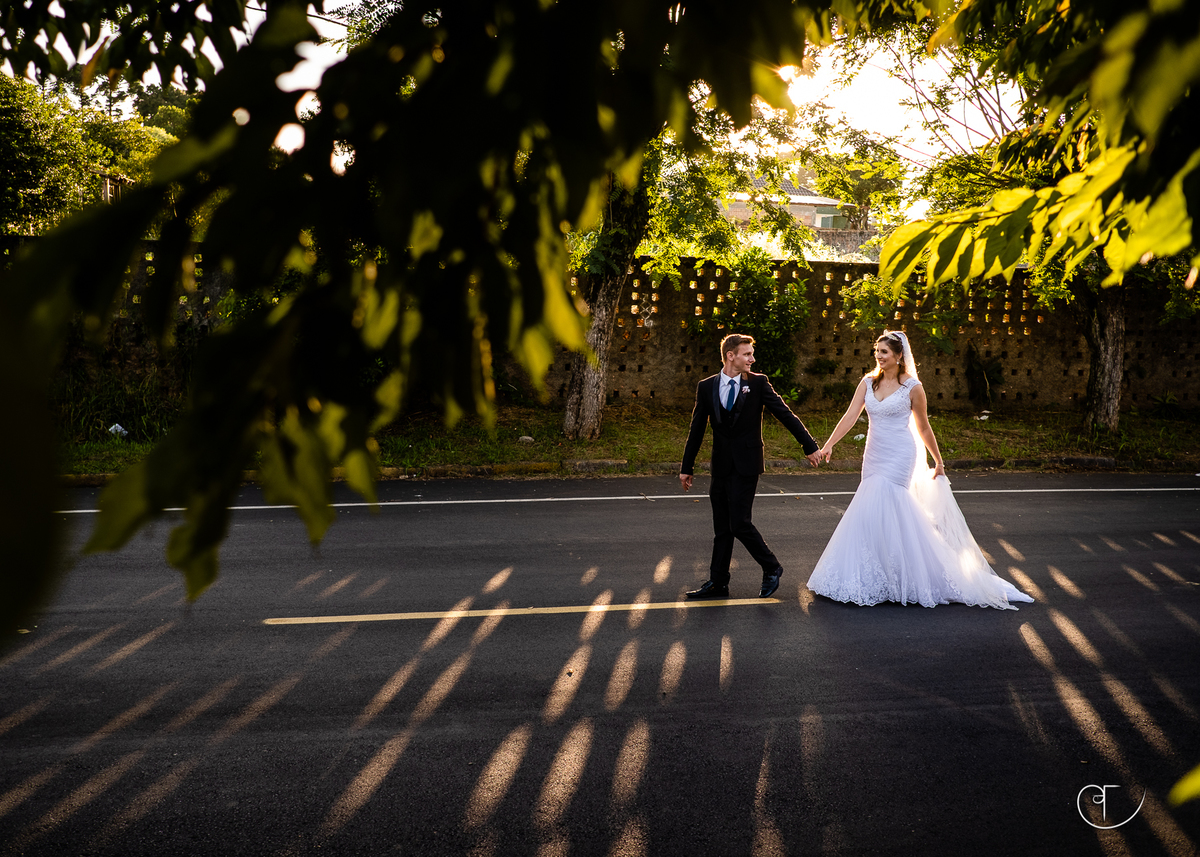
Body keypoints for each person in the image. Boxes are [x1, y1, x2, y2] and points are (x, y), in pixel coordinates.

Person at [806, 330, 1033, 609]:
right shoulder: (867, 382)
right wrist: (829, 444)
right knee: (870, 506)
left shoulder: (913, 387)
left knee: (890, 503)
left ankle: (909, 575)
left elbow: (923, 427)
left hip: (901, 453)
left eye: (884, 352)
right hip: (875, 453)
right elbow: (851, 415)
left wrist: (938, 461)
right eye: (877, 351)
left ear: (899, 356)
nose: (879, 355)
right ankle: (876, 574)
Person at [680, 333, 823, 599]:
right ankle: (719, 582)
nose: (752, 359)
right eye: (747, 354)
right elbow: (697, 429)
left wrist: (809, 446)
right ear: (730, 355)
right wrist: (686, 467)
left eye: (751, 354)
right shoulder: (706, 386)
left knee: (740, 523)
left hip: (747, 464)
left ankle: (771, 567)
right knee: (722, 527)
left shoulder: (758, 384)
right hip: (721, 466)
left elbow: (785, 414)